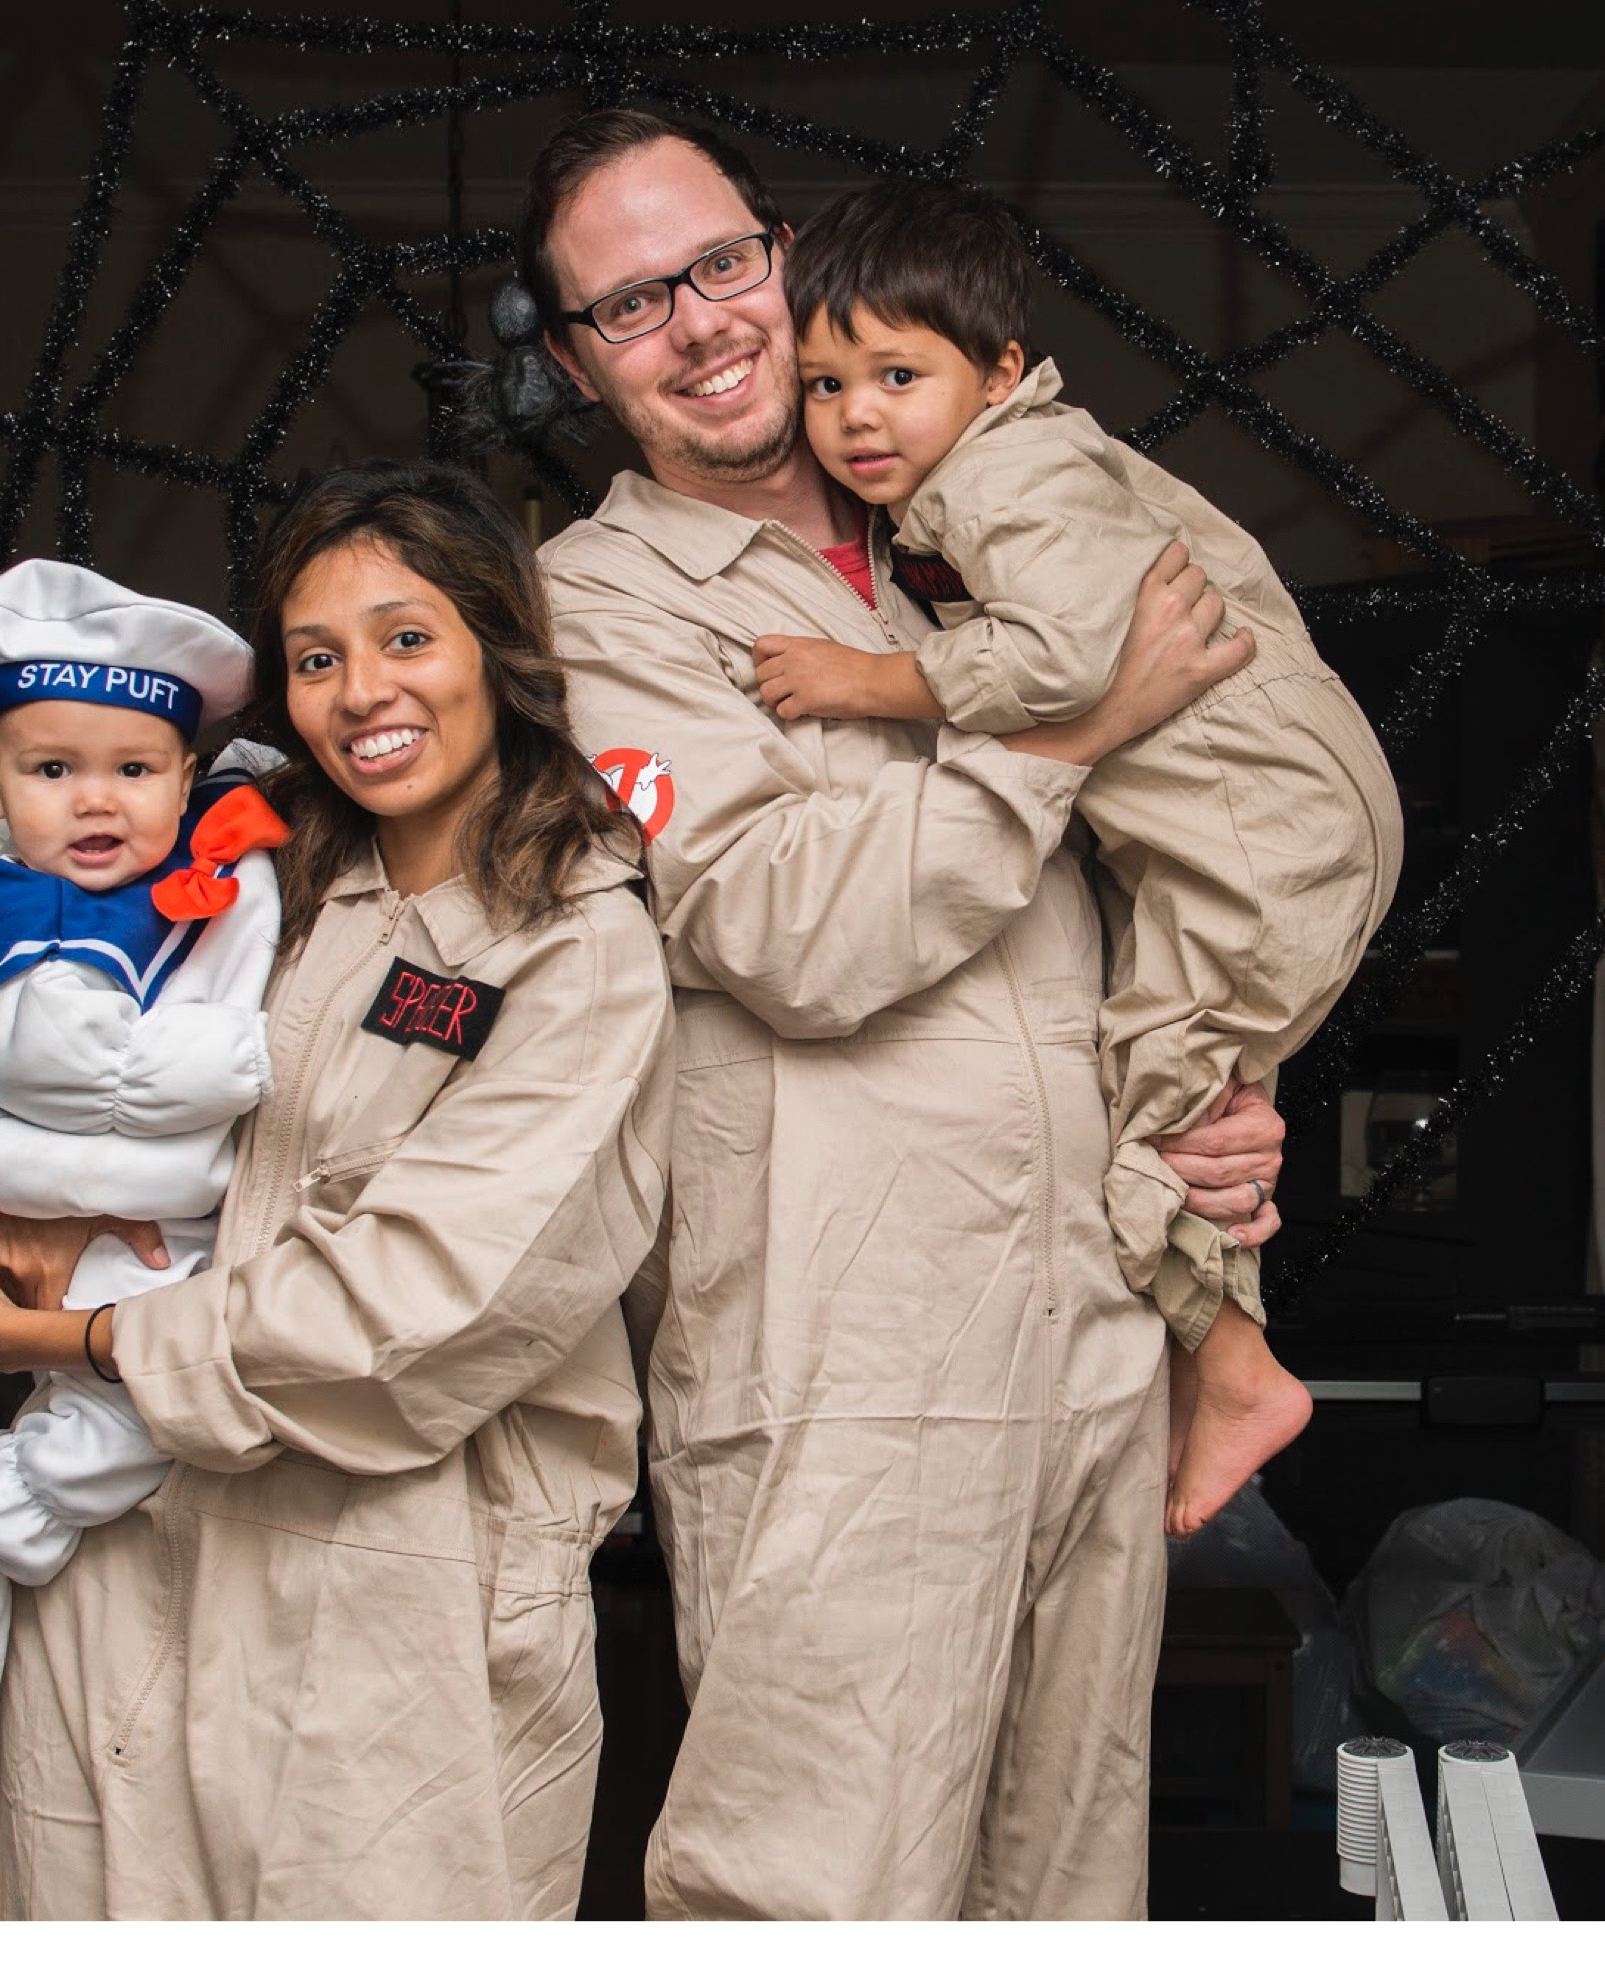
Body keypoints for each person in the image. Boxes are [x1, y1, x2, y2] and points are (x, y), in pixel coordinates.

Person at [518, 108, 1291, 1918]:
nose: (702, 322)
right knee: (816, 1893)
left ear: (784, 257)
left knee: (1063, 1886)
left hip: (1090, 1326)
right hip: (840, 1361)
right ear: (571, 361)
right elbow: (780, 918)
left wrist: (1214, 1094)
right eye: (631, 304)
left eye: (720, 263)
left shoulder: (981, 514)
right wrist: (1069, 724)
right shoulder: (592, 603)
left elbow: (1184, 845)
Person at [0, 460, 675, 1919]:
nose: (364, 690)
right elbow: (34, 1030)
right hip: (121, 1571)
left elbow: (415, 1313)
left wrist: (57, 1344)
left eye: (407, 637)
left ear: (500, 645)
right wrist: (28, 1209)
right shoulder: (241, 875)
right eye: (317, 658)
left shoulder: (572, 950)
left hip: (390, 1603)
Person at [765, 180, 1403, 1536]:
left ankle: (1234, 1376)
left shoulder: (1010, 472)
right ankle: (1222, 1363)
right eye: (823, 386)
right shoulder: (1039, 455)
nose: (857, 416)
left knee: (1156, 1111)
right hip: (1267, 826)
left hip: (1261, 840)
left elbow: (1065, 658)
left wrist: (865, 681)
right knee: (1204, 1103)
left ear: (1000, 371)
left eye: (895, 373)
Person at [0, 558, 286, 1796]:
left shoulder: (211, 862)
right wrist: (246, 1055)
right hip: (102, 1208)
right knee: (135, 1413)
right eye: (54, 773)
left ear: (183, 773)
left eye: (134, 770)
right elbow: (83, 1061)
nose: (96, 802)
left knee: (128, 1415)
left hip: (152, 1218)